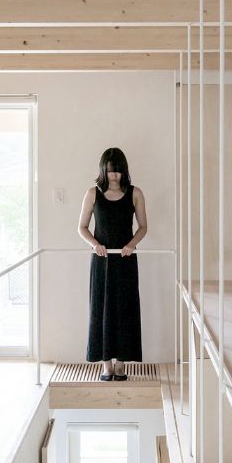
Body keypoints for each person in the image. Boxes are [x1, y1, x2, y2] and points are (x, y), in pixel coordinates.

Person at [77, 147, 147, 380]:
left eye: (117, 171)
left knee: (125, 309)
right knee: (101, 309)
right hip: (102, 261)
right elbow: (82, 227)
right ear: (103, 170)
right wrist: (95, 244)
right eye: (110, 171)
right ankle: (105, 364)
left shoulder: (135, 193)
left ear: (124, 171)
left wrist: (132, 244)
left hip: (126, 260)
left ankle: (121, 364)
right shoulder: (93, 193)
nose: (114, 176)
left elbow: (143, 227)